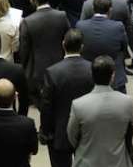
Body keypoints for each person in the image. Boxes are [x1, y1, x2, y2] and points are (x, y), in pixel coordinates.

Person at [67, 55, 133, 167]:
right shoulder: (127, 102)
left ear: (92, 75)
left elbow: (72, 137)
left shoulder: (78, 104)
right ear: (113, 75)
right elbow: (130, 130)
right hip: (118, 162)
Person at [39, 29, 95, 167]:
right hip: (86, 133)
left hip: (59, 133)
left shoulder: (52, 72)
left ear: (63, 44)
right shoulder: (92, 69)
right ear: (82, 47)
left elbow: (46, 106)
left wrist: (45, 132)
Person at [20, 0, 70, 102]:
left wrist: (25, 68)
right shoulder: (61, 16)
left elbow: (24, 51)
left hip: (38, 71)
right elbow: (69, 39)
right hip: (61, 65)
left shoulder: (27, 22)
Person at [77, 0, 129, 93]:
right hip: (114, 78)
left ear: (93, 9)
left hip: (89, 76)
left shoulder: (80, 25)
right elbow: (124, 48)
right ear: (110, 10)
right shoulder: (118, 26)